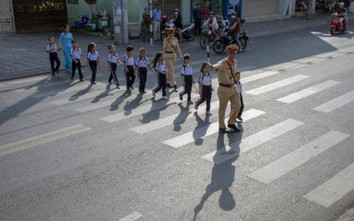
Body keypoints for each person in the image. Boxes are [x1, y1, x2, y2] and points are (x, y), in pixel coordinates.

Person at [208, 44, 241, 133]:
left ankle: (231, 122)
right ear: (227, 53)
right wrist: (211, 66)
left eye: (234, 54)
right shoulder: (222, 63)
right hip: (223, 89)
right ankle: (221, 126)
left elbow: (234, 74)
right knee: (222, 109)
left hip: (233, 88)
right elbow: (216, 67)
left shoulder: (235, 62)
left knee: (237, 106)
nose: (232, 55)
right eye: (230, 54)